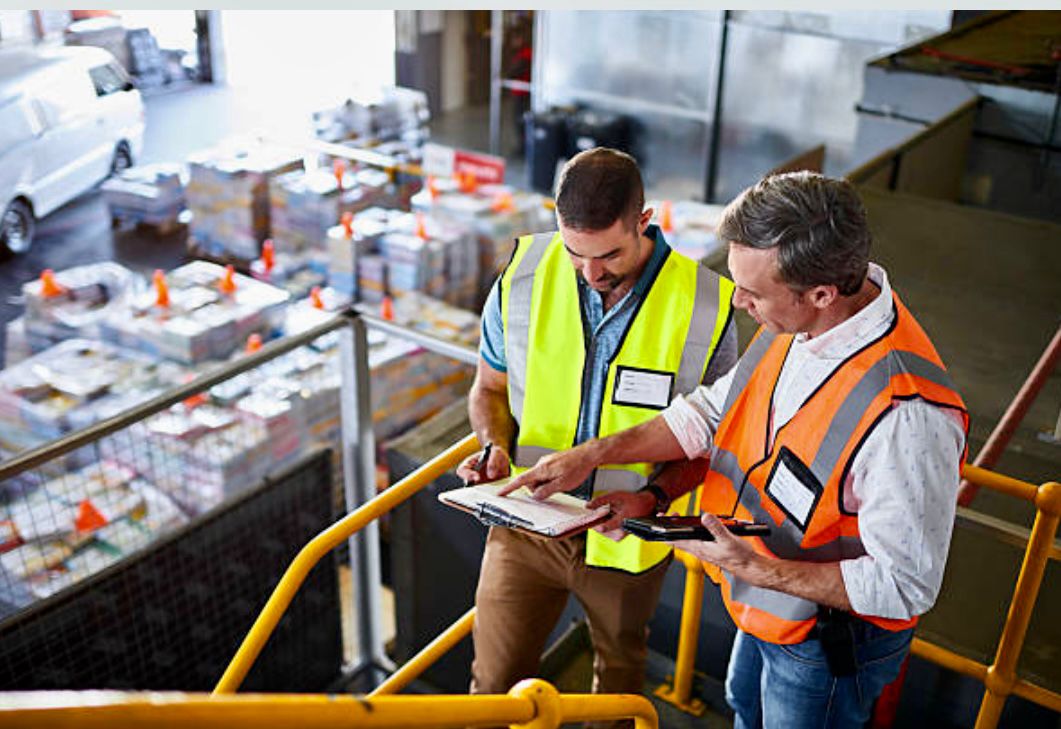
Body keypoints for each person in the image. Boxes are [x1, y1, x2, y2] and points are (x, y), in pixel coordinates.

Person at [507, 171, 968, 728]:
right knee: (744, 706)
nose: (738, 300)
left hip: (823, 644)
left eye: (752, 291)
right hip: (765, 609)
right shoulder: (799, 323)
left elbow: (904, 585)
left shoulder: (908, 418)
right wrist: (599, 458)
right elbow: (705, 414)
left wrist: (757, 567)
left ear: (821, 293)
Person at [455, 147, 737, 721]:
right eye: (574, 252)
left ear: (644, 220)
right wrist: (495, 446)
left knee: (616, 699)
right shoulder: (523, 276)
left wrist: (654, 498)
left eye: (609, 254)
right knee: (492, 691)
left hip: (627, 537)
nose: (591, 272)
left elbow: (715, 439)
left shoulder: (707, 305)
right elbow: (487, 389)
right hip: (526, 526)